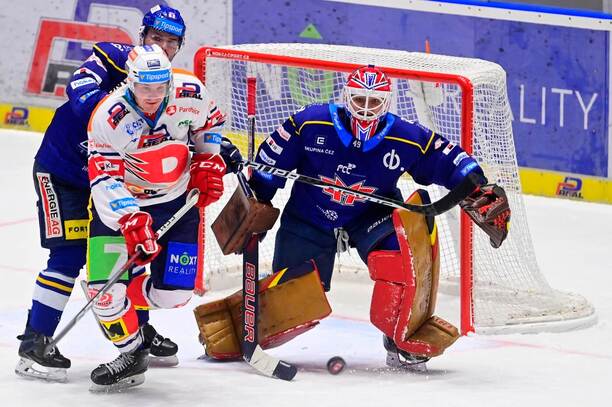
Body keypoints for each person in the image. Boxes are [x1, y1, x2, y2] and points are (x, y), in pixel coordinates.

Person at [198, 65, 510, 370]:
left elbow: (445, 155)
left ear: (386, 103)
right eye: (359, 100)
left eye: (374, 102)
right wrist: (256, 200)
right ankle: (231, 331)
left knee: (400, 258)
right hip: (310, 217)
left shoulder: (405, 136)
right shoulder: (310, 123)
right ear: (347, 98)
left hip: (371, 216)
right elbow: (269, 164)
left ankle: (400, 338)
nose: (365, 109)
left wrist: (475, 183)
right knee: (290, 297)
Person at [16, 5, 188, 382]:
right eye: (155, 37)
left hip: (114, 183)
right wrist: (120, 117)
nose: (161, 46)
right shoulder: (112, 56)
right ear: (142, 36)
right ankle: (35, 341)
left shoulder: (168, 85)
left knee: (131, 253)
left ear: (179, 47)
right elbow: (77, 90)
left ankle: (137, 333)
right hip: (65, 173)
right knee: (69, 254)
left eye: (170, 42)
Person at [86, 44, 226, 391]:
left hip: (177, 204)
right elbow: (104, 178)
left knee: (175, 295)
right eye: (145, 88)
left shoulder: (191, 93)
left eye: (159, 87)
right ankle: (131, 353)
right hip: (122, 209)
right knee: (103, 295)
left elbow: (209, 124)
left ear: (168, 82)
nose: (153, 96)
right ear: (130, 82)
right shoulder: (108, 117)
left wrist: (208, 160)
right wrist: (130, 220)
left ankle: (126, 291)